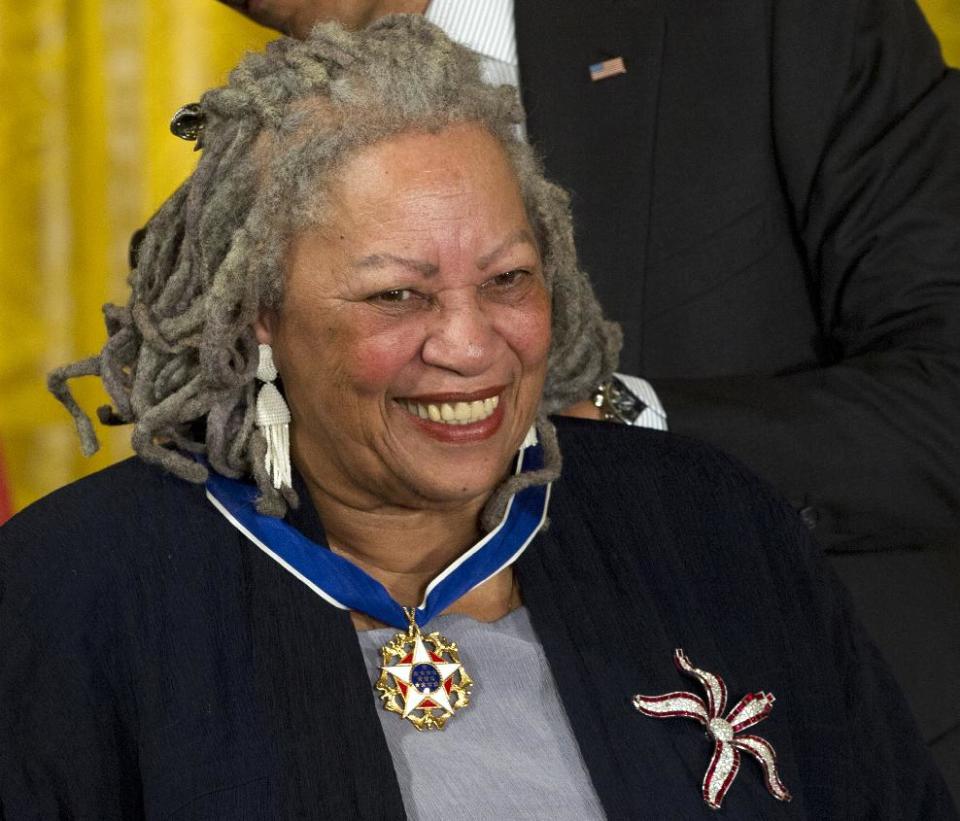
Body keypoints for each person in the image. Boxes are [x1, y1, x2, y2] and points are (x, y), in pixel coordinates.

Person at [1, 18, 955, 819]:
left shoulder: (713, 523)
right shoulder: (69, 592)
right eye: (396, 297)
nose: (470, 344)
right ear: (259, 312)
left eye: (508, 280)